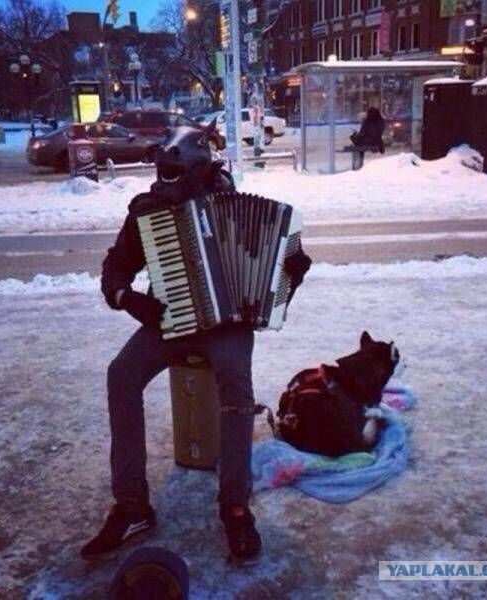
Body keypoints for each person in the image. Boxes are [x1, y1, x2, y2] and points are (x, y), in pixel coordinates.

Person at [81, 120, 312, 563]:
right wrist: (127, 297)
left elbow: (277, 269)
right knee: (121, 376)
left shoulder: (231, 203)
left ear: (200, 169)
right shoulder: (147, 210)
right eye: (161, 174)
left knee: (236, 384)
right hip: (170, 317)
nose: (162, 183)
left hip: (227, 323)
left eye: (172, 175)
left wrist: (291, 269)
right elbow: (116, 266)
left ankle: (235, 505)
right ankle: (132, 505)